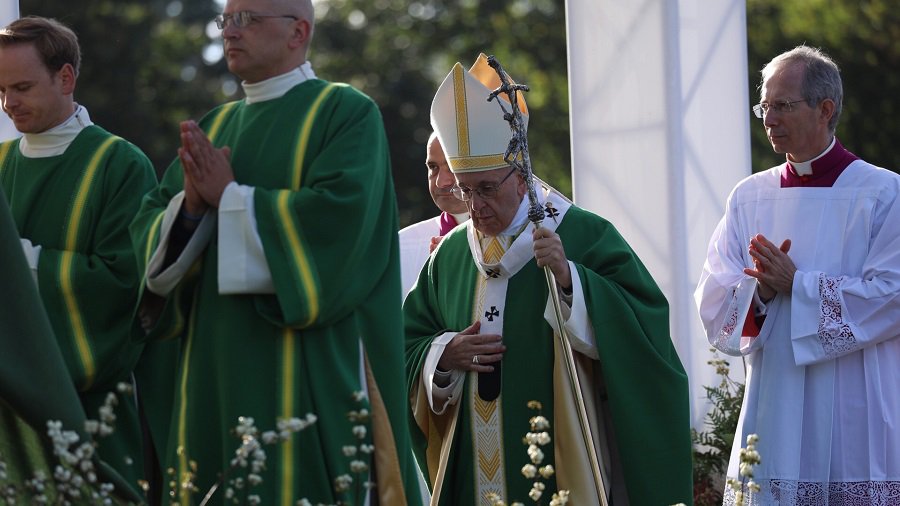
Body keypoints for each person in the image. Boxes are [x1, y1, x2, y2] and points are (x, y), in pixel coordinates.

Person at [129, 0, 422, 504]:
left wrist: (230, 198)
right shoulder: (215, 126)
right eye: (225, 20)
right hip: (213, 367)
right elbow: (148, 235)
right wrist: (190, 208)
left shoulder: (344, 112)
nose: (229, 32)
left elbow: (339, 226)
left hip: (305, 362)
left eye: (246, 19)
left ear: (298, 32)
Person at [404, 54, 692, 506]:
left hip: (561, 464)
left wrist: (571, 280)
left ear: (521, 178)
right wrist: (442, 355)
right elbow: (405, 344)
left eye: (486, 188)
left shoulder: (582, 234)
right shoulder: (450, 256)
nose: (474, 206)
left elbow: (647, 332)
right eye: (464, 189)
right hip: (471, 474)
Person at [695, 45, 900, 504]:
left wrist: (799, 286)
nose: (769, 119)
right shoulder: (748, 197)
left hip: (855, 400)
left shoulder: (883, 193)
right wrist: (761, 293)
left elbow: (893, 294)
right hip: (777, 400)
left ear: (825, 109)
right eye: (764, 107)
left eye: (782, 106)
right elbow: (714, 297)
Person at [0, 16, 155, 496]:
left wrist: (16, 262)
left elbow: (123, 286)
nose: (8, 103)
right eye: (0, 90)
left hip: (91, 409)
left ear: (65, 78)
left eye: (21, 87)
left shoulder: (119, 164)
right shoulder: (0, 162)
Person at [399, 132, 469, 297]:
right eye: (433, 167)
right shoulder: (401, 246)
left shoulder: (522, 239)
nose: (441, 182)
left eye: (452, 166)